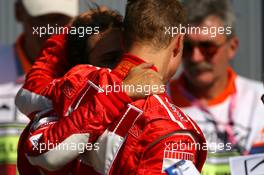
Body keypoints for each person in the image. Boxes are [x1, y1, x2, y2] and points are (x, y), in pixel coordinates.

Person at [16, 0, 207, 174]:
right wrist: (117, 94)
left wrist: (72, 31)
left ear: (125, 40)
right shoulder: (169, 127)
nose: (117, 71)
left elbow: (30, 91)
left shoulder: (75, 83)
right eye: (109, 59)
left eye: (120, 56)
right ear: (179, 43)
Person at [169, 0, 264, 174]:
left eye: (207, 47)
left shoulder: (260, 101)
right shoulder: (157, 101)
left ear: (232, 47)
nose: (196, 58)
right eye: (187, 47)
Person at [0, 0, 78, 174]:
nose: (50, 29)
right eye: (41, 19)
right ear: (19, 12)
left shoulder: (92, 74)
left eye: (59, 19)